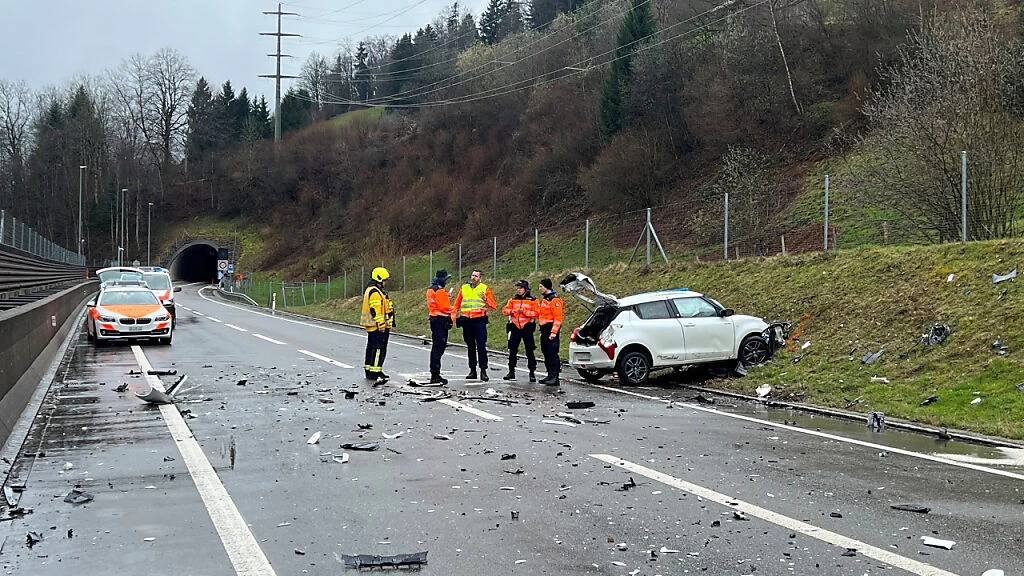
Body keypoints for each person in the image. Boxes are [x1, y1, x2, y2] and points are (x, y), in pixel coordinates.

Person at [452, 268, 497, 381]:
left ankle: (483, 370)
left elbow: (493, 305)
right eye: (472, 275)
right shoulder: (464, 288)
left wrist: (485, 299)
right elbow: (457, 304)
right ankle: (472, 370)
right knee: (470, 346)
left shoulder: (484, 289)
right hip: (467, 321)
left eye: (476, 276)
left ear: (480, 278)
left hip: (479, 320)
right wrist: (453, 316)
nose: (473, 277)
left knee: (481, 346)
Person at [360, 267, 394, 381]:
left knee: (372, 348)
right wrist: (381, 324)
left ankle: (372, 370)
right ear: (379, 279)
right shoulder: (375, 292)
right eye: (385, 280)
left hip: (374, 326)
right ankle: (374, 372)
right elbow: (376, 310)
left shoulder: (373, 290)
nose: (386, 282)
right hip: (377, 327)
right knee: (378, 349)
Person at [502, 279, 538, 382]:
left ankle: (532, 372)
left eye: (520, 288)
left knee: (529, 350)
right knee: (512, 350)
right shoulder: (513, 299)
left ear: (525, 289)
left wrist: (525, 312)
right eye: (517, 288)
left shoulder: (533, 300)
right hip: (515, 327)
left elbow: (537, 313)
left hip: (527, 327)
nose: (518, 290)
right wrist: (512, 311)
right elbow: (505, 310)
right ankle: (511, 371)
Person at [426, 269, 454, 384]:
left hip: (434, 319)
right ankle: (435, 374)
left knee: (436, 347)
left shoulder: (431, 289)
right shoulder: (439, 291)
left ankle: (435, 372)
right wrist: (454, 309)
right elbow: (444, 307)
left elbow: (437, 304)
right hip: (440, 321)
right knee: (439, 347)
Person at [537, 278, 564, 386]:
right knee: (546, 352)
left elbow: (558, 318)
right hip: (544, 329)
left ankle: (555, 376)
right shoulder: (546, 299)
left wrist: (554, 332)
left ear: (546, 287)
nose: (539, 289)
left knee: (552, 353)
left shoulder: (555, 300)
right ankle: (550, 374)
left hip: (551, 329)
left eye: (541, 287)